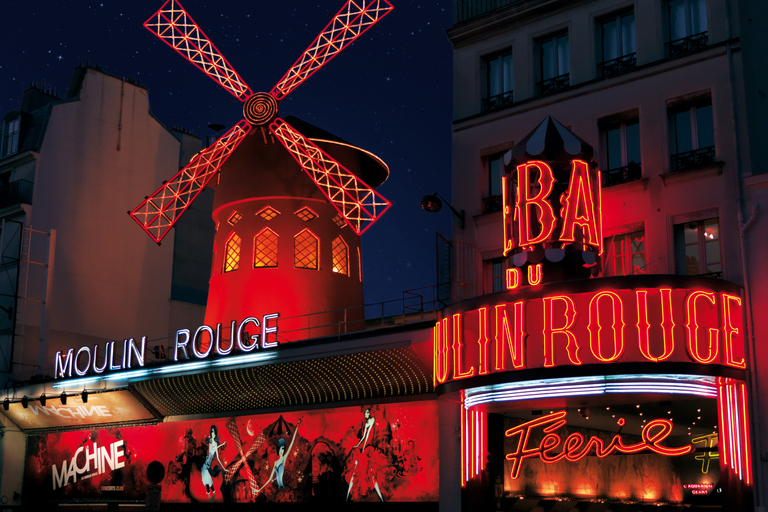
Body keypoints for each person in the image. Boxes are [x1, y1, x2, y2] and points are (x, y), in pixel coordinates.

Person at [346, 408, 384, 501]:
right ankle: (347, 497)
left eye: (367, 412)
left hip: (369, 448)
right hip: (364, 448)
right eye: (365, 412)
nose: (365, 414)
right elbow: (363, 437)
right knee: (355, 472)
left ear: (370, 413)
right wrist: (358, 445)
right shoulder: (366, 423)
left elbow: (368, 436)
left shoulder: (372, 420)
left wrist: (362, 448)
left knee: (372, 474)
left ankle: (382, 499)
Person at [256, 424, 300, 493]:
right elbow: (269, 479)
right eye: (280, 449)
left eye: (283, 449)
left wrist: (296, 428)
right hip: (279, 489)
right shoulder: (275, 462)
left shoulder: (284, 458)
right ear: (278, 449)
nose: (282, 451)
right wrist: (259, 489)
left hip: (282, 488)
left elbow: (291, 443)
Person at [201, 425, 227, 502]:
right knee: (206, 477)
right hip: (207, 462)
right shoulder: (210, 440)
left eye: (214, 432)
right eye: (211, 431)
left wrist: (224, 468)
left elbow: (218, 458)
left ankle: (211, 495)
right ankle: (211, 495)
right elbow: (205, 442)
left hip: (208, 463)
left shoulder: (215, 444)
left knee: (206, 478)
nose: (212, 433)